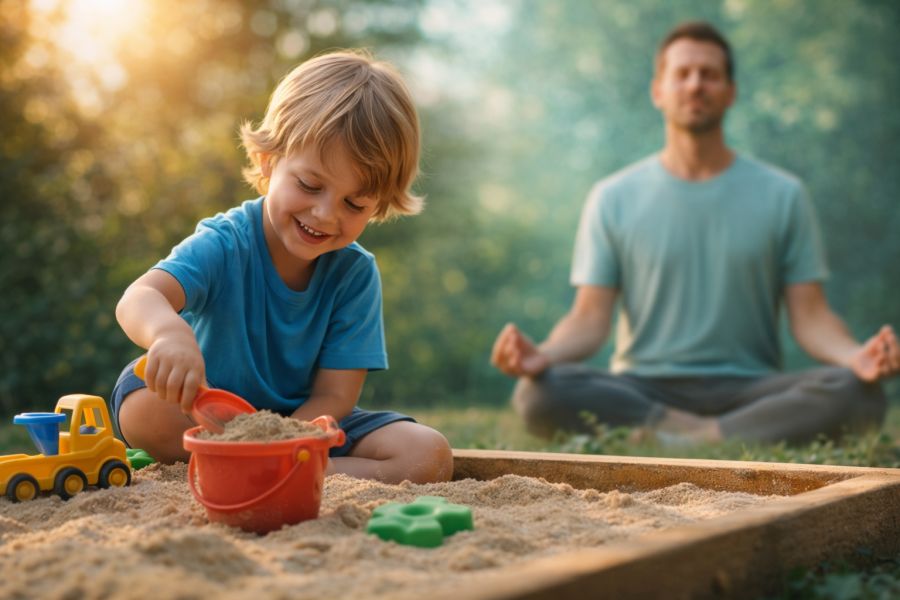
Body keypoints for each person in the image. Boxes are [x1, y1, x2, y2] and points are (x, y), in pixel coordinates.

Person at [491, 21, 899, 445]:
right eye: (682, 74)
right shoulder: (612, 196)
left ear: (730, 91)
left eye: (709, 74)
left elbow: (811, 317)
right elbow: (588, 319)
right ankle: (710, 434)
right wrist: (544, 355)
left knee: (858, 392)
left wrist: (857, 356)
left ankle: (695, 436)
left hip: (751, 391)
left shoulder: (784, 194)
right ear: (658, 91)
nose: (695, 84)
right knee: (539, 393)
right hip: (644, 389)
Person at [112, 50, 453, 483]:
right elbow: (139, 297)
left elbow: (334, 394)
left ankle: (275, 467)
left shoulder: (355, 275)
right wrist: (167, 333)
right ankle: (276, 467)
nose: (326, 214)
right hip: (208, 408)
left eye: (355, 203)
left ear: (378, 206)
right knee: (145, 411)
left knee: (428, 453)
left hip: (302, 420)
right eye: (310, 185)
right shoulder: (227, 241)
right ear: (268, 162)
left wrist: (282, 439)